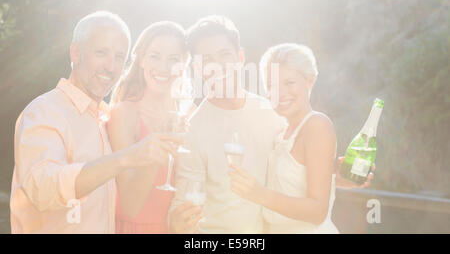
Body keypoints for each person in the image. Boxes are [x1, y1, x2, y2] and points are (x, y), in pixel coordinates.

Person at [169, 16, 374, 234]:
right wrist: (176, 225)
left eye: (224, 55)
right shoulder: (193, 131)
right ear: (197, 68)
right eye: (206, 59)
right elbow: (184, 204)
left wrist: (330, 176)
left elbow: (293, 174)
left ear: (240, 57)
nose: (217, 66)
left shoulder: (274, 113)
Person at [10, 11, 179, 233]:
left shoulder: (105, 117)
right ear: (76, 53)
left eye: (119, 57)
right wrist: (127, 158)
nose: (111, 66)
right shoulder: (45, 111)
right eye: (101, 53)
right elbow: (42, 189)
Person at [229, 43, 340, 233]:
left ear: (310, 81)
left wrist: (260, 195)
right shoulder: (281, 132)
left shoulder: (317, 125)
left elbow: (317, 211)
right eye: (272, 85)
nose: (280, 93)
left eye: (289, 83)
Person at [107, 21, 202, 233]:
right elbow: (130, 205)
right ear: (141, 59)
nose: (163, 68)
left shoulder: (191, 114)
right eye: (154, 56)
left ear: (184, 64)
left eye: (174, 59)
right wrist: (160, 143)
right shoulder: (124, 113)